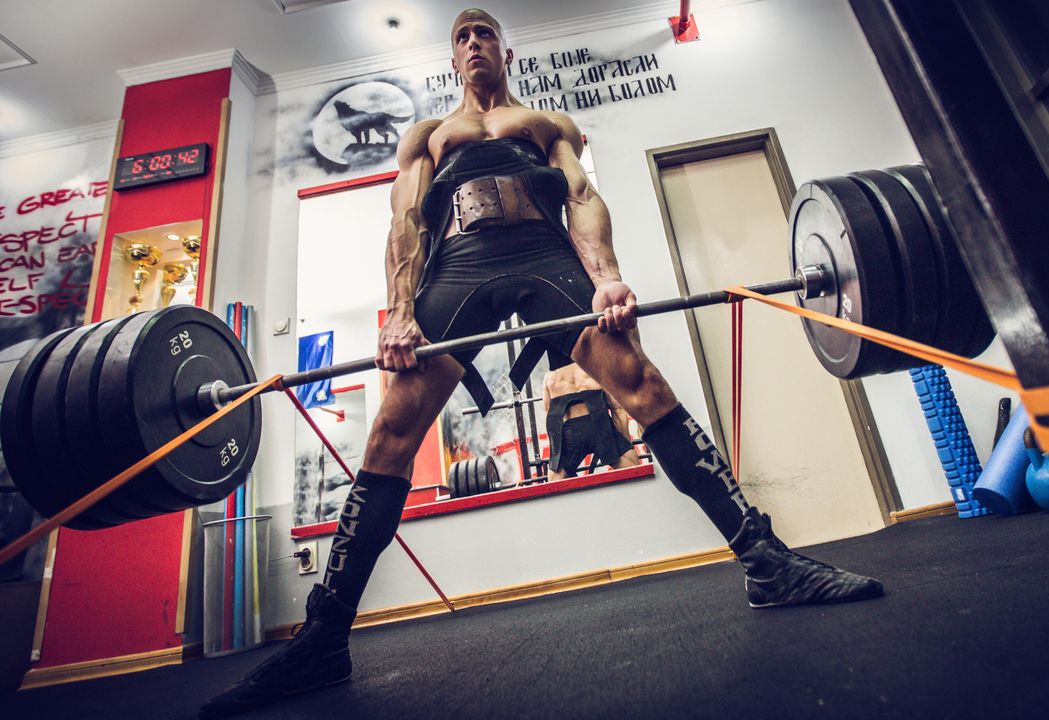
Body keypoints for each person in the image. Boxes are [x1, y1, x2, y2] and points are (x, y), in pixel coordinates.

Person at [201, 9, 883, 717]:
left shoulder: (548, 123)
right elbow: (405, 221)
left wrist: (608, 276)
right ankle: (322, 639)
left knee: (642, 385)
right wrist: (399, 309)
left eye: (484, 33)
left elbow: (583, 198)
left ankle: (766, 563)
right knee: (390, 438)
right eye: (461, 37)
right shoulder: (427, 136)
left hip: (544, 255)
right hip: (459, 263)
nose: (473, 44)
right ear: (451, 58)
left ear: (505, 49)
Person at [542, 363, 641, 480]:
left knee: (555, 482)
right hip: (601, 426)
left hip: (571, 433)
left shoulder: (549, 377)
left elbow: (551, 415)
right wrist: (625, 444)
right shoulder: (596, 366)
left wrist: (556, 457)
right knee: (634, 469)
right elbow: (617, 409)